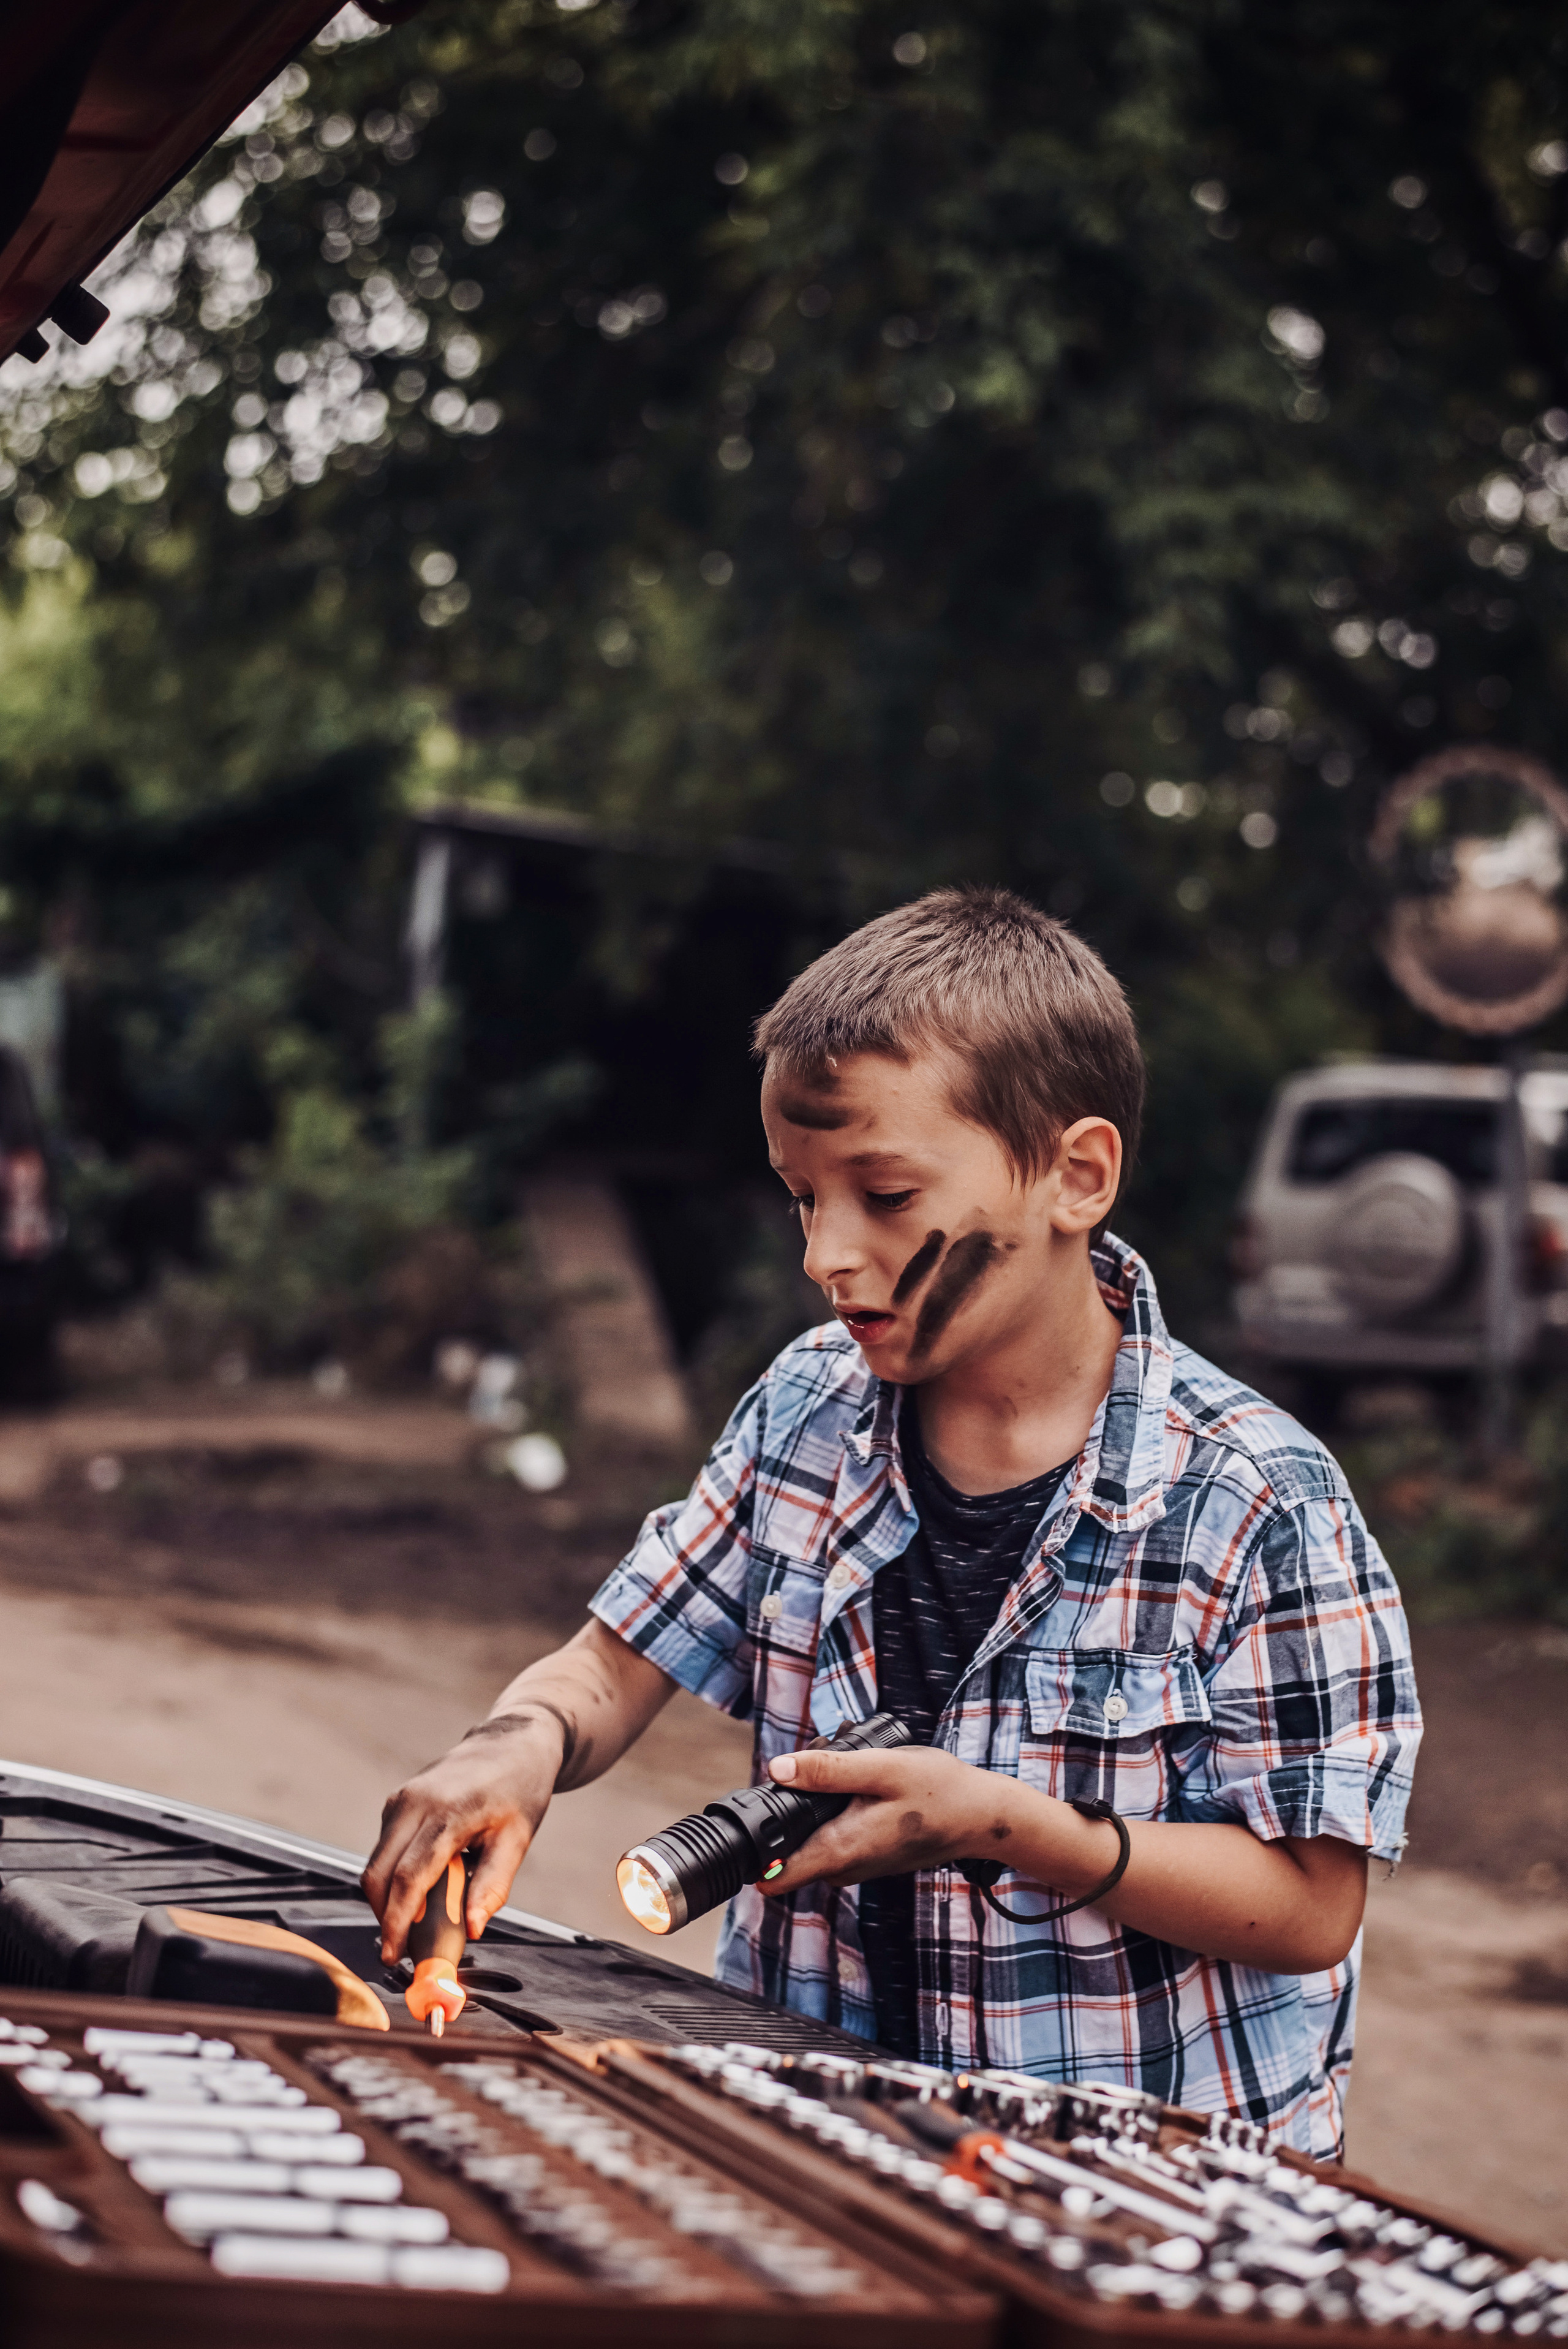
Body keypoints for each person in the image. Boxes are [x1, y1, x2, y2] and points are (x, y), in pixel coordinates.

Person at [364, 887, 1419, 2156]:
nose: (824, 1252)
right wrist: (517, 1745)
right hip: (823, 2153)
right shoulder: (803, 1408)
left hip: (1135, 2210)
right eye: (802, 1197)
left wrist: (1008, 1826)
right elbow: (611, 1662)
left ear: (1074, 1175)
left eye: (884, 1193)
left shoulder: (1254, 1500)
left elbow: (1310, 1907)